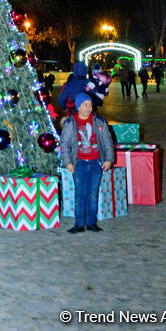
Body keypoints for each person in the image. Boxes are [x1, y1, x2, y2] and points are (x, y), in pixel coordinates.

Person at [60, 93, 114, 233]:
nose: (89, 108)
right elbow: (64, 144)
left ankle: (91, 222)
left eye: (90, 104)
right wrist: (68, 162)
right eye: (85, 105)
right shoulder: (71, 123)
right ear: (78, 107)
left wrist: (108, 159)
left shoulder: (99, 122)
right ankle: (79, 223)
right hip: (79, 164)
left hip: (96, 163)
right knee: (80, 194)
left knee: (93, 193)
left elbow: (107, 141)